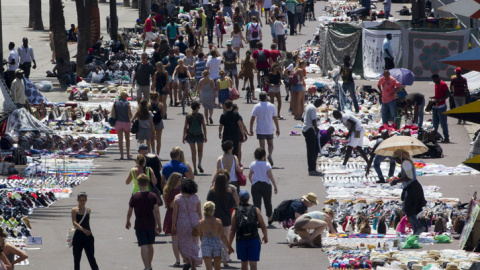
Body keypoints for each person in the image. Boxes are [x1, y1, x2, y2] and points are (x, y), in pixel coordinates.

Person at [126, 174, 162, 270]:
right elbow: (157, 211)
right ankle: (149, 265)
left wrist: (128, 221)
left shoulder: (135, 196)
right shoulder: (153, 196)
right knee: (150, 244)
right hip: (151, 223)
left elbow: (129, 211)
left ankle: (146, 266)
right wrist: (159, 225)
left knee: (143, 245)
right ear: (147, 183)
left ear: (138, 183)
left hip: (139, 224)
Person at [390, 149, 426, 235]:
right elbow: (407, 175)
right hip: (410, 188)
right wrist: (400, 176)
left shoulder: (406, 163)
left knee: (408, 210)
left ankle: (419, 227)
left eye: (396, 158)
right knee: (408, 210)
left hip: (413, 188)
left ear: (400, 157)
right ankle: (416, 230)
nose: (396, 161)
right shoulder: (405, 163)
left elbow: (409, 177)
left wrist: (397, 181)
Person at [229, 190, 268, 270]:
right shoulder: (255, 209)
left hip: (241, 240)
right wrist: (265, 236)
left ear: (239, 199)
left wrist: (229, 245)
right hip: (253, 239)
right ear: (249, 198)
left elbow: (232, 230)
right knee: (253, 264)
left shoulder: (235, 211)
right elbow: (263, 225)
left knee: (243, 264)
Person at [207, 172, 236, 267]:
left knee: (214, 240)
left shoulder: (212, 191)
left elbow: (208, 203)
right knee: (225, 240)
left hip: (214, 219)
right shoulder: (228, 192)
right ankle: (225, 260)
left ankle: (214, 258)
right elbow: (232, 204)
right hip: (226, 219)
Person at [193, 201, 235, 270]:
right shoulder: (218, 221)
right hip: (217, 244)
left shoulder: (201, 222)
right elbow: (223, 236)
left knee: (208, 268)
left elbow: (201, 237)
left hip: (206, 244)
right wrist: (229, 247)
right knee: (218, 267)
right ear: (213, 210)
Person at [172, 179, 202, 270]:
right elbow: (199, 212)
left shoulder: (178, 198)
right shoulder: (196, 198)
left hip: (182, 222)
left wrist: (173, 225)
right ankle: (193, 265)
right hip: (194, 222)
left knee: (182, 243)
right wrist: (201, 224)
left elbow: (175, 214)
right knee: (194, 243)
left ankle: (187, 260)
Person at [249, 147, 278, 225]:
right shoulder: (267, 164)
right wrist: (275, 185)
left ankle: (258, 220)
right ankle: (269, 218)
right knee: (268, 202)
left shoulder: (253, 164)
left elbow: (250, 175)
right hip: (266, 185)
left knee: (257, 203)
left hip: (256, 185)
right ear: (264, 156)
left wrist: (253, 182)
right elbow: (270, 176)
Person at [249, 91, 280, 166]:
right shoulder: (271, 106)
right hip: (269, 128)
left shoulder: (256, 106)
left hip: (260, 129)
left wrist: (251, 128)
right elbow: (275, 118)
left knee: (262, 147)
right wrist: (277, 128)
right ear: (266, 97)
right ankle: (270, 154)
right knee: (270, 144)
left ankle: (264, 159)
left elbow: (253, 118)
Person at [71, 192, 99, 270]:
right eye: (80, 200)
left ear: (86, 200)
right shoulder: (74, 210)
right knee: (77, 259)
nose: (82, 202)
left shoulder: (88, 210)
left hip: (88, 237)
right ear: (77, 200)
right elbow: (74, 222)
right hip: (77, 237)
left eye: (84, 200)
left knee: (91, 257)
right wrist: (83, 230)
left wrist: (86, 231)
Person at [163, 172, 182, 266]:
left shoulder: (166, 190)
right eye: (180, 179)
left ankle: (177, 260)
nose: (181, 181)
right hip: (180, 214)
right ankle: (186, 258)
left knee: (174, 239)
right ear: (176, 180)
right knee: (181, 238)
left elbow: (167, 205)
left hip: (170, 214)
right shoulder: (180, 191)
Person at [183, 101, 207, 175]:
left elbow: (185, 127)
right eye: (199, 107)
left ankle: (194, 168)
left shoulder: (188, 116)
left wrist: (183, 136)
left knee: (193, 152)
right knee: (200, 150)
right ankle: (199, 163)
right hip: (199, 135)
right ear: (197, 108)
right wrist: (205, 136)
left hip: (190, 135)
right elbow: (203, 126)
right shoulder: (200, 116)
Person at [302, 98, 323, 176]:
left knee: (310, 150)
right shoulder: (313, 108)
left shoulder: (308, 106)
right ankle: (312, 169)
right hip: (310, 130)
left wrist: (307, 122)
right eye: (320, 105)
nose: (319, 106)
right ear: (317, 103)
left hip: (305, 129)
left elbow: (302, 118)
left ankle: (311, 169)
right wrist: (316, 128)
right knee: (312, 151)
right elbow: (314, 120)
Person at [111, 91, 133, 160]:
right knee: (127, 139)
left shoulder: (115, 103)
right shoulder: (127, 104)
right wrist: (132, 119)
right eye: (126, 96)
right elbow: (130, 114)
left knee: (120, 139)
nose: (127, 97)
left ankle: (121, 155)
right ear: (124, 96)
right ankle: (128, 153)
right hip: (126, 122)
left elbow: (112, 113)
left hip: (118, 122)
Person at [431, 74, 450, 143]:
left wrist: (440, 99)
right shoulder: (436, 84)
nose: (434, 81)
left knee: (443, 123)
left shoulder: (443, 84)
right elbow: (438, 94)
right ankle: (433, 137)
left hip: (442, 106)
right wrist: (434, 97)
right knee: (434, 123)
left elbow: (448, 94)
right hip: (436, 106)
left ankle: (446, 137)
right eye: (433, 80)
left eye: (434, 79)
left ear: (438, 78)